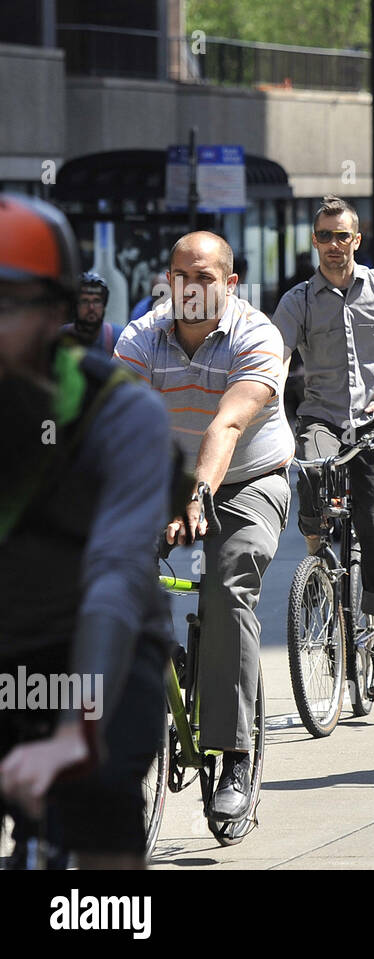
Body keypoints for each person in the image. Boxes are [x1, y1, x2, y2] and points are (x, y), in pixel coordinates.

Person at [0, 193, 172, 868]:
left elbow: (115, 573)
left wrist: (77, 726)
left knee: (100, 796)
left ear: (54, 314)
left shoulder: (119, 413)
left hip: (105, 645)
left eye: (5, 304)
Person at [114, 230, 292, 821]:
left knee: (227, 580)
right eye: (181, 277)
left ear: (231, 284)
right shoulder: (142, 337)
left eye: (205, 278)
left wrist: (198, 498)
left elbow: (227, 426)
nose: (191, 289)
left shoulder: (257, 335)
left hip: (248, 479)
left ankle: (235, 751)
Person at [271, 195, 374, 701]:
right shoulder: (297, 299)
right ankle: (318, 576)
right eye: (325, 236)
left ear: (356, 240)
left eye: (343, 236)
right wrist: (274, 414)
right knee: (314, 490)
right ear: (314, 241)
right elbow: (277, 361)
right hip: (322, 418)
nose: (334, 245)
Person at [61, 271, 123, 354]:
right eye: (85, 301)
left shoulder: (120, 339)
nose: (91, 307)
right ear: (75, 305)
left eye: (96, 301)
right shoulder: (59, 337)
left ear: (104, 305)